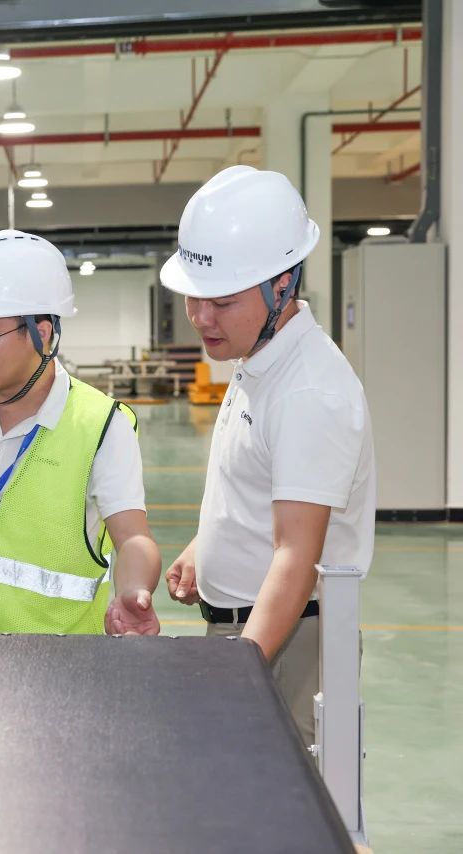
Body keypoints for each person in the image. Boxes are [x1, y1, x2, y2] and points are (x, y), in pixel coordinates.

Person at [158, 165, 374, 745]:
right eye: (194, 297)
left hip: (285, 643)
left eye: (222, 302)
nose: (201, 318)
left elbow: (297, 557)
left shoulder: (309, 390)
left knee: (284, 796)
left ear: (282, 285)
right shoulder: (259, 357)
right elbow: (260, 482)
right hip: (251, 632)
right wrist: (208, 546)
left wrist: (243, 667)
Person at [0, 229, 161, 635]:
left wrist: (134, 589)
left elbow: (133, 537)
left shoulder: (101, 424)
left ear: (39, 333)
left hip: (56, 665)